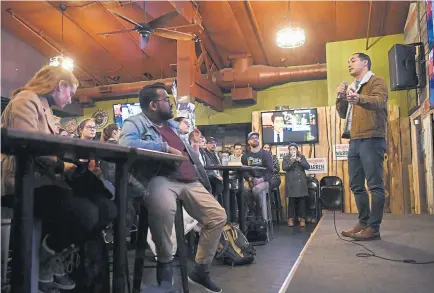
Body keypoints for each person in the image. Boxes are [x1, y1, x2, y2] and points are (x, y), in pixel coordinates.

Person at [1, 65, 117, 293]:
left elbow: (50, 150)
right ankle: (44, 260)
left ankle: (51, 255)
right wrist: (65, 166)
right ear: (60, 85)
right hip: (20, 182)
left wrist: (69, 165)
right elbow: (28, 146)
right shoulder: (26, 99)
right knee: (86, 212)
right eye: (70, 92)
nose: (71, 98)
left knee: (108, 209)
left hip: (43, 181)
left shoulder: (45, 109)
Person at [119, 83, 226, 293]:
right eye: (166, 100)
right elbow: (125, 144)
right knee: (165, 211)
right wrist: (163, 147)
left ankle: (201, 270)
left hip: (189, 179)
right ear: (153, 105)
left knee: (217, 217)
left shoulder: (172, 126)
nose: (170, 104)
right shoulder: (135, 122)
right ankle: (165, 273)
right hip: (161, 178)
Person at [336, 52, 388, 241]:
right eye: (348, 61)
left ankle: (374, 228)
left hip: (372, 138)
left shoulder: (376, 82)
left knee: (375, 185)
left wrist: (359, 98)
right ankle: (363, 223)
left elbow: (380, 101)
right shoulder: (352, 87)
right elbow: (343, 114)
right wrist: (341, 97)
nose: (349, 64)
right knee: (356, 185)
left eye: (353, 60)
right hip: (354, 140)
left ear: (365, 62)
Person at [241, 132, 273, 220]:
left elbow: (270, 172)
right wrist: (250, 179)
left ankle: (259, 212)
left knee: (256, 189)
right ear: (248, 142)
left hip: (264, 181)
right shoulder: (245, 156)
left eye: (256, 137)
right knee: (244, 189)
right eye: (252, 138)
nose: (255, 139)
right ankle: (251, 211)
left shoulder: (266, 154)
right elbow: (244, 172)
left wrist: (260, 180)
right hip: (251, 180)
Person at [282, 143, 310, 227]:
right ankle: (290, 219)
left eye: (294, 149)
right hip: (291, 181)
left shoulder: (301, 157)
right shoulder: (286, 158)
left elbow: (307, 166)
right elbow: (284, 168)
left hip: (301, 181)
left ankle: (302, 219)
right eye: (291, 149)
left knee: (302, 201)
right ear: (289, 150)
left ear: (297, 150)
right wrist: (292, 161)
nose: (293, 150)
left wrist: (299, 160)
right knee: (292, 201)